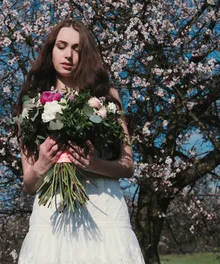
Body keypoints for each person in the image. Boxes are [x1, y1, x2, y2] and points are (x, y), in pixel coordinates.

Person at [15, 19, 145, 264]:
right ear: (50, 50)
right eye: (62, 46)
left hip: (105, 213)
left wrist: (94, 164)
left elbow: (128, 165)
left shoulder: (107, 97)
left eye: (77, 49)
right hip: (53, 215)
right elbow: (30, 183)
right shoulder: (31, 104)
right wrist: (43, 163)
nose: (69, 55)